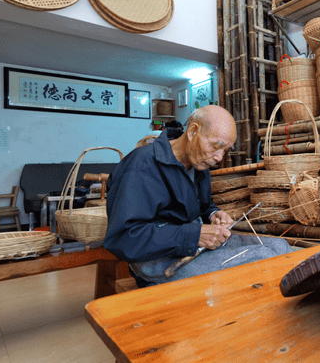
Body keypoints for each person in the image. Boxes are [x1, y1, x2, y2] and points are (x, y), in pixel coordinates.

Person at [104, 105, 291, 287]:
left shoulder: (199, 165)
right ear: (193, 131)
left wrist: (213, 214)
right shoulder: (141, 167)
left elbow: (204, 205)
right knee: (262, 259)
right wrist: (193, 236)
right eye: (217, 146)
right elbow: (124, 238)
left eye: (225, 150)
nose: (219, 157)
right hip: (157, 260)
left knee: (280, 248)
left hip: (193, 246)